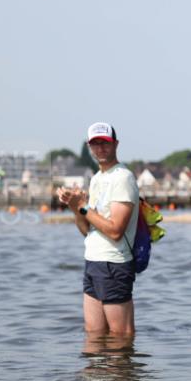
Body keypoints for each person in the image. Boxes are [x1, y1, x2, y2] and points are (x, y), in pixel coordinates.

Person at [56, 122, 139, 351]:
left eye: (105, 143)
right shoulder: (96, 179)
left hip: (114, 263)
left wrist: (84, 208)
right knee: (93, 336)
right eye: (95, 143)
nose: (100, 148)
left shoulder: (122, 178)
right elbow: (87, 230)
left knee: (120, 338)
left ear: (115, 144)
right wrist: (75, 206)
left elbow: (115, 231)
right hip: (93, 261)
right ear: (89, 146)